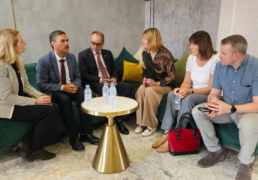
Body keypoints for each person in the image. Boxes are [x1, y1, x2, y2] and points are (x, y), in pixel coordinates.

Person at [192, 35, 258, 180]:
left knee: (248, 124)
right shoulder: (219, 66)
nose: (219, 56)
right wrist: (213, 102)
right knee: (198, 111)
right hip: (226, 108)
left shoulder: (256, 67)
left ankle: (245, 164)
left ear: (236, 55)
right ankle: (215, 151)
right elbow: (214, 93)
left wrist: (230, 108)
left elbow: (257, 105)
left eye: (223, 53)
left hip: (247, 111)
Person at [152, 31, 219, 152]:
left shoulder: (215, 61)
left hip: (207, 95)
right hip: (193, 91)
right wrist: (181, 89)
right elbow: (187, 81)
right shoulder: (191, 58)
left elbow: (211, 88)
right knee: (172, 94)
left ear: (202, 45)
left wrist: (189, 92)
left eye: (193, 44)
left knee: (187, 99)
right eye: (191, 44)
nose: (190, 47)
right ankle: (166, 134)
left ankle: (177, 136)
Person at [0, 29, 59, 162]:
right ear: (13, 47)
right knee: (48, 112)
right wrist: (36, 102)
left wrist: (43, 97)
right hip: (7, 106)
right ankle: (37, 149)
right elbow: (6, 97)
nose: (25, 43)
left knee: (53, 106)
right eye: (21, 42)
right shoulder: (1, 66)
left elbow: (26, 85)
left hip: (19, 101)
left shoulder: (17, 59)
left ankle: (25, 143)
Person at [36, 30, 99, 151]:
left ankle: (86, 133)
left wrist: (75, 85)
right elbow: (41, 85)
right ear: (53, 43)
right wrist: (62, 87)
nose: (66, 43)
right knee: (64, 100)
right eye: (63, 41)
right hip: (56, 90)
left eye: (67, 40)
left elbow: (77, 77)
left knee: (86, 96)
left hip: (71, 87)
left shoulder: (71, 57)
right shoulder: (44, 60)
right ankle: (73, 137)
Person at [78, 31, 133, 135]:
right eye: (92, 43)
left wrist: (114, 78)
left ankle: (119, 120)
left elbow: (114, 69)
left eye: (98, 44)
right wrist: (101, 80)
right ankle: (110, 119)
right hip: (95, 82)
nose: (95, 46)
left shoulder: (108, 53)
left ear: (102, 43)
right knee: (105, 89)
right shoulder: (83, 55)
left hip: (110, 81)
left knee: (128, 87)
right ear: (90, 41)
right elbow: (84, 75)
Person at [135, 28, 175, 136]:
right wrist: (145, 79)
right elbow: (145, 71)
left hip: (165, 85)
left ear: (152, 39)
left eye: (144, 39)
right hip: (152, 83)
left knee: (150, 91)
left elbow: (172, 76)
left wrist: (157, 83)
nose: (142, 41)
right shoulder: (146, 54)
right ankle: (141, 123)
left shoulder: (165, 54)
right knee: (141, 89)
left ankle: (151, 124)